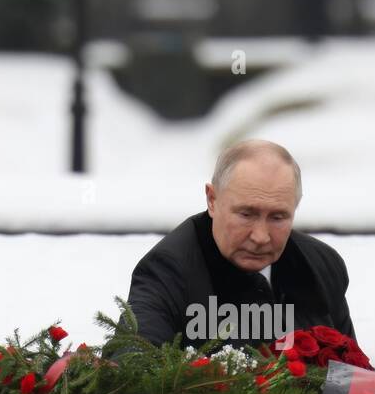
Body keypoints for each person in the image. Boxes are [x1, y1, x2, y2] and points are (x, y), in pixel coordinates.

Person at [126, 140, 357, 350]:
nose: (260, 237)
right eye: (246, 214)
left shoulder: (322, 265)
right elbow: (132, 368)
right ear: (212, 200)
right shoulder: (167, 270)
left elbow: (353, 376)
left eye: (277, 217)